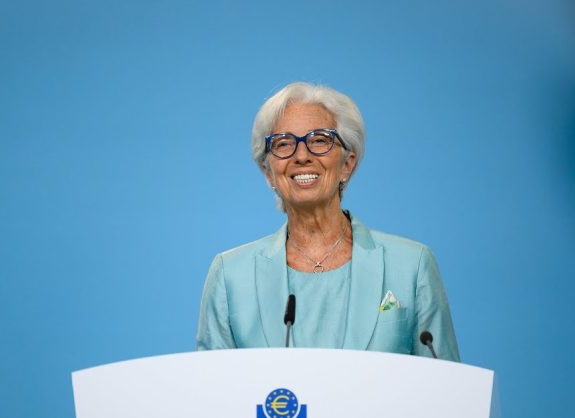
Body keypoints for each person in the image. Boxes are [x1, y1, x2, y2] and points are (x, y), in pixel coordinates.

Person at [196, 82, 459, 361]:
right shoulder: (230, 276)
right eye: (283, 144)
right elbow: (212, 386)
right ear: (268, 172)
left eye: (319, 140)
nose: (301, 156)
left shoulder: (412, 266)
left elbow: (445, 383)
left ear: (348, 163)